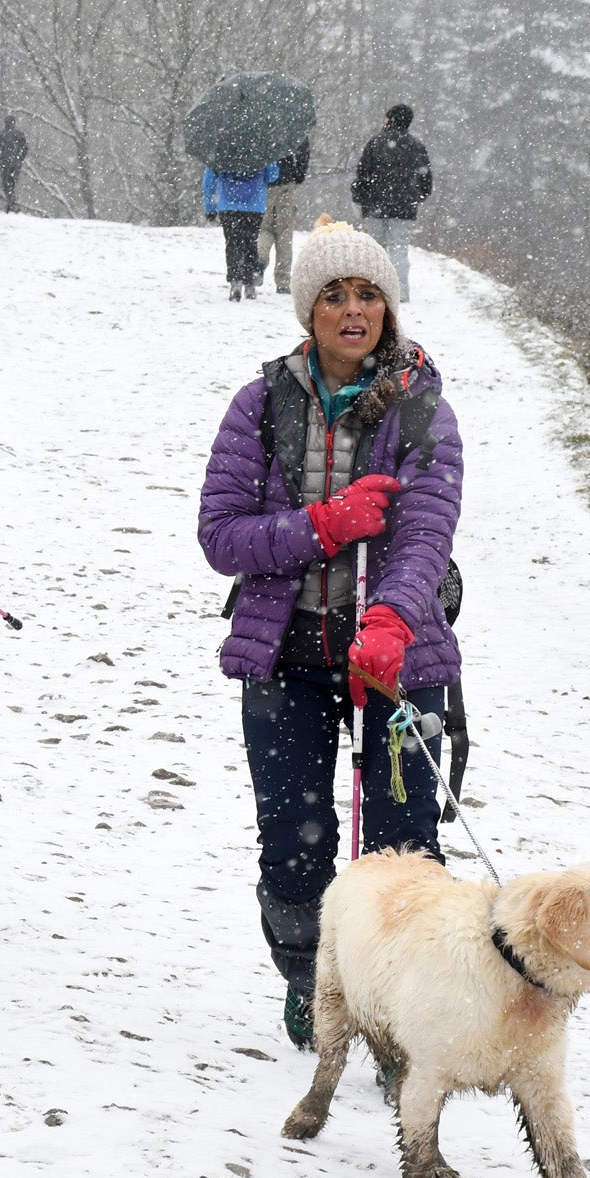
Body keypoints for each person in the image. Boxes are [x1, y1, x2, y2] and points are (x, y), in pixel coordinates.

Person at [197, 217, 463, 1048]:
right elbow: (222, 535)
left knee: (405, 860)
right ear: (306, 310)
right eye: (335, 296)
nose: (355, 310)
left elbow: (426, 531)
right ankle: (313, 982)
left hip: (396, 662)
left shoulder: (423, 409)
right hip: (286, 656)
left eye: (369, 293)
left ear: (389, 304)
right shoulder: (260, 403)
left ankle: (397, 1020)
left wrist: (389, 618)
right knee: (294, 851)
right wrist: (322, 524)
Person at [351, 105, 433, 302]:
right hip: (404, 208)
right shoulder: (417, 146)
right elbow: (426, 181)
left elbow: (362, 174)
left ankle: (371, 291)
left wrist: (360, 197)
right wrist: (416, 198)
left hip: (374, 206)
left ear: (390, 119)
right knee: (399, 248)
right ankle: (400, 293)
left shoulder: (375, 143)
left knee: (374, 249)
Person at [203, 162, 279, 300]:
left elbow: (209, 181)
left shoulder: (222, 147)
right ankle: (250, 283)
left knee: (232, 244)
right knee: (250, 243)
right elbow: (272, 176)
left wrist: (209, 207)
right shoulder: (262, 147)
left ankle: (235, 282)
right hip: (254, 206)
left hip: (228, 205)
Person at [256, 135, 310, 295]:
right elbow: (303, 154)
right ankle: (283, 281)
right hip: (287, 184)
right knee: (284, 234)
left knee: (264, 229)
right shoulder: (294, 127)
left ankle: (260, 260)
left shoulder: (262, 126)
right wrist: (299, 175)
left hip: (265, 186)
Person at [0, 115, 27, 212]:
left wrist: (0, 160)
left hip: (5, 163)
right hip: (15, 163)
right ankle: (11, 202)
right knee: (12, 183)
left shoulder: (1, 134)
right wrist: (19, 159)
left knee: (6, 184)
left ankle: (11, 202)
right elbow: (24, 149)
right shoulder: (19, 134)